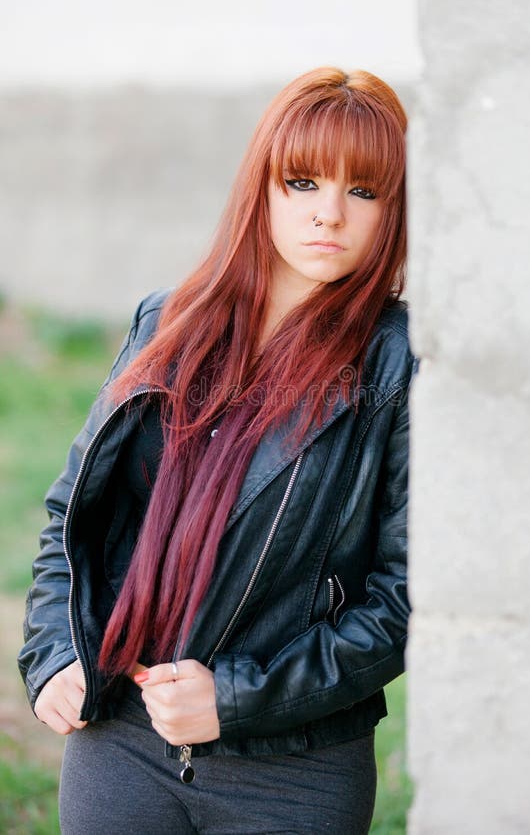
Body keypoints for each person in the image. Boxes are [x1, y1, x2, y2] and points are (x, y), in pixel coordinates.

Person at [18, 67, 416, 834]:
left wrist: (236, 696)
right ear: (260, 188)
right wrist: (54, 653)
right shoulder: (167, 322)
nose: (329, 214)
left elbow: (405, 598)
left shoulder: (398, 367)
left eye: (363, 192)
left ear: (392, 211)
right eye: (302, 182)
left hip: (295, 770)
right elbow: (78, 514)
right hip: (122, 739)